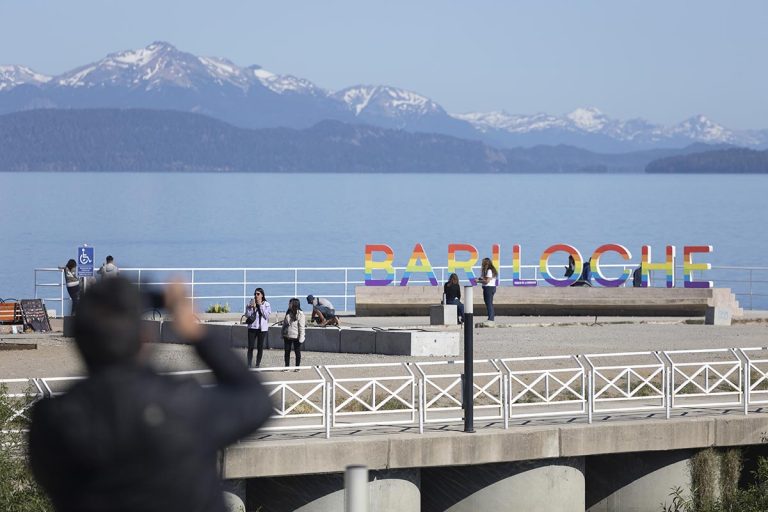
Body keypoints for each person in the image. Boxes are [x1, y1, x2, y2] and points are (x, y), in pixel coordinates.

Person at [28, 277, 272, 512]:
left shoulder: (51, 423)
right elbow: (256, 400)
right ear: (145, 338)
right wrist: (197, 333)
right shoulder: (183, 405)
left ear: (80, 339)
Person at [244, 287, 271, 368]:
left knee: (260, 347)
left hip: (262, 329)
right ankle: (249, 365)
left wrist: (260, 305)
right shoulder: (251, 303)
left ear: (262, 295)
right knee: (250, 347)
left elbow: (266, 316)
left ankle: (257, 365)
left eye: (258, 294)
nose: (256, 295)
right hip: (252, 328)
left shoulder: (266, 304)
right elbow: (247, 315)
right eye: (255, 294)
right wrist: (250, 307)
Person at [282, 298, 306, 368]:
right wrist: (282, 333)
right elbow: (284, 324)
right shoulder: (288, 312)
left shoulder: (300, 314)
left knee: (297, 352)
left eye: (290, 303)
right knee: (287, 352)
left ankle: (297, 367)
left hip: (296, 336)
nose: (288, 305)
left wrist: (301, 338)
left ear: (294, 304)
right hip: (287, 335)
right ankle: (287, 367)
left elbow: (301, 327)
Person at [477, 257, 498, 323]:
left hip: (489, 288)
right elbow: (486, 279)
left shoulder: (489, 270)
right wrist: (481, 279)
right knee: (489, 303)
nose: (482, 264)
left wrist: (478, 281)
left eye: (483, 263)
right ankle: (491, 318)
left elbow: (487, 281)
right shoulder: (491, 270)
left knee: (488, 303)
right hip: (491, 288)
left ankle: (491, 318)